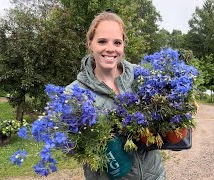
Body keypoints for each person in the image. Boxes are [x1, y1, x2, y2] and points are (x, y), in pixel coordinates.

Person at [66, 11, 166, 180]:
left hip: (154, 176)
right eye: (102, 41)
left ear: (123, 45)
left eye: (117, 42)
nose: (110, 49)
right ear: (90, 43)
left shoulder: (142, 77)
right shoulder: (74, 93)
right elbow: (69, 148)